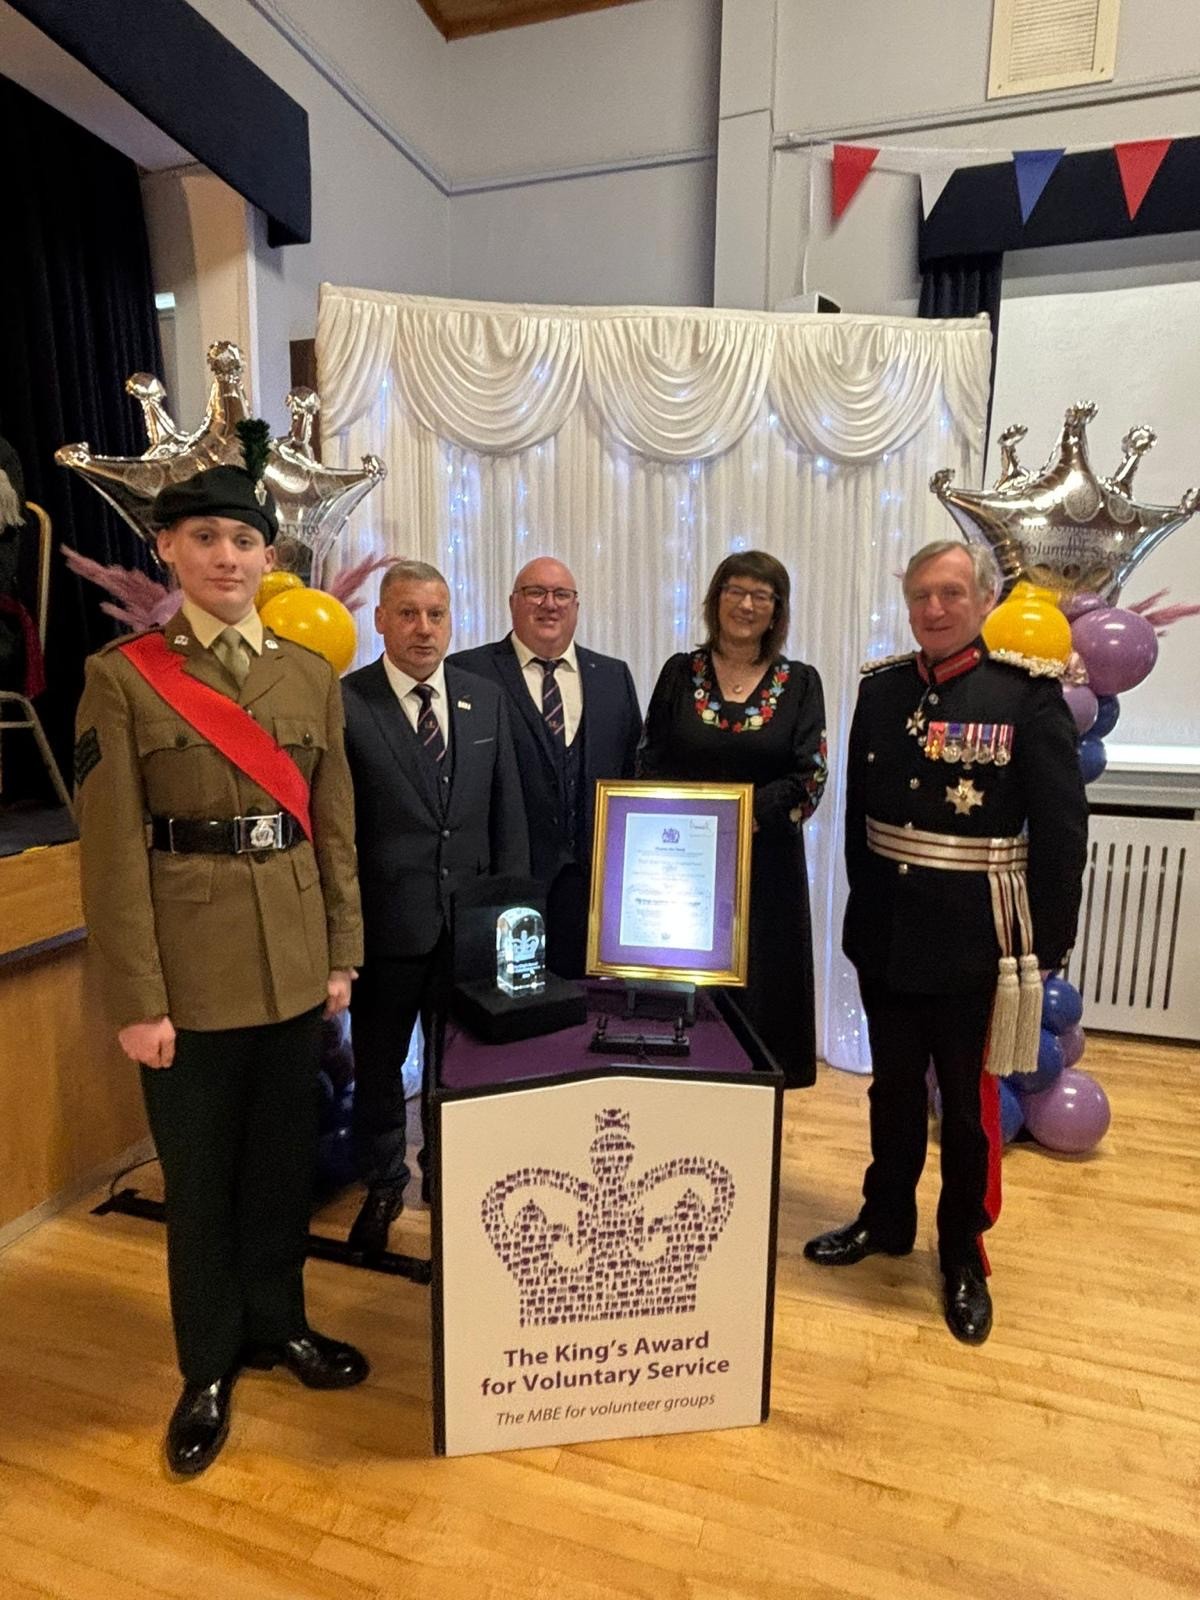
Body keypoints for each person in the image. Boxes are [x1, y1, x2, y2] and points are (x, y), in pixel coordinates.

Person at [74, 428, 367, 1479]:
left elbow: (333, 828)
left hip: (291, 965)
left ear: (268, 557)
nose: (228, 558)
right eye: (206, 538)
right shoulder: (122, 680)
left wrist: (341, 956)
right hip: (187, 981)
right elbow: (112, 856)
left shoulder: (309, 675)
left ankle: (279, 1323)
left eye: (245, 541)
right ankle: (206, 1365)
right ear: (168, 548)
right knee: (199, 1185)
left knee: (282, 1167)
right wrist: (137, 1001)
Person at [804, 540, 1088, 1344]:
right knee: (891, 1091)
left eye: (951, 594)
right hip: (888, 933)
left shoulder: (1026, 697)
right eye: (922, 595)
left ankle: (961, 1250)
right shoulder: (882, 689)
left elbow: (1062, 834)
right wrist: (862, 915)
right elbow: (863, 823)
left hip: (978, 942)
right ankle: (886, 1217)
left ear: (984, 600)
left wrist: (1045, 946)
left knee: (966, 1110)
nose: (934, 608)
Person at [342, 559, 529, 1255]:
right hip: (385, 930)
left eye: (436, 614)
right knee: (380, 1066)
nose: (424, 628)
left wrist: (510, 919)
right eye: (408, 613)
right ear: (380, 620)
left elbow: (507, 815)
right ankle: (384, 1184)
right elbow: (336, 831)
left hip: (469, 930)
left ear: (451, 621)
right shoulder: (346, 704)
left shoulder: (486, 699)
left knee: (459, 1065)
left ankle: (448, 1179)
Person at [637, 550, 828, 1086]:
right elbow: (648, 760)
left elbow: (811, 776)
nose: (746, 605)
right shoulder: (680, 673)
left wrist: (738, 818)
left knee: (762, 999)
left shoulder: (800, 682)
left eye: (760, 595)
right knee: (688, 1001)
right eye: (735, 591)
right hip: (683, 871)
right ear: (715, 599)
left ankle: (754, 1103)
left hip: (767, 875)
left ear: (777, 610)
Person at [448, 555, 641, 977]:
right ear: (513, 603)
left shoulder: (613, 676)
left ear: (576, 605)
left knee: (587, 1009)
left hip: (593, 890)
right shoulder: (465, 674)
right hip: (502, 886)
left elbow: (633, 774)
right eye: (535, 592)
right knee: (508, 1008)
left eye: (561, 595)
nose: (549, 604)